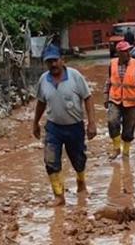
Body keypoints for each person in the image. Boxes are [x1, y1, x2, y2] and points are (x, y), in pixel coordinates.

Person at [32, 44, 97, 206]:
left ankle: (81, 181)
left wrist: (92, 123)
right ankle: (59, 196)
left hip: (75, 127)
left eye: (55, 60)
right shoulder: (43, 80)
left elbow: (88, 98)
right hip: (54, 127)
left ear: (62, 60)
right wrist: (35, 123)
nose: (52, 65)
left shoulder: (75, 76)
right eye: (49, 62)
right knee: (50, 160)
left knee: (78, 160)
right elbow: (40, 103)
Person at [105, 40, 135, 159]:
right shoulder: (112, 63)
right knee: (112, 121)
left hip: (132, 101)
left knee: (129, 128)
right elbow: (109, 80)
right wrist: (105, 96)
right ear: (118, 53)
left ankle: (126, 152)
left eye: (128, 50)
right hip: (115, 99)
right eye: (124, 51)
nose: (127, 53)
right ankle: (116, 148)